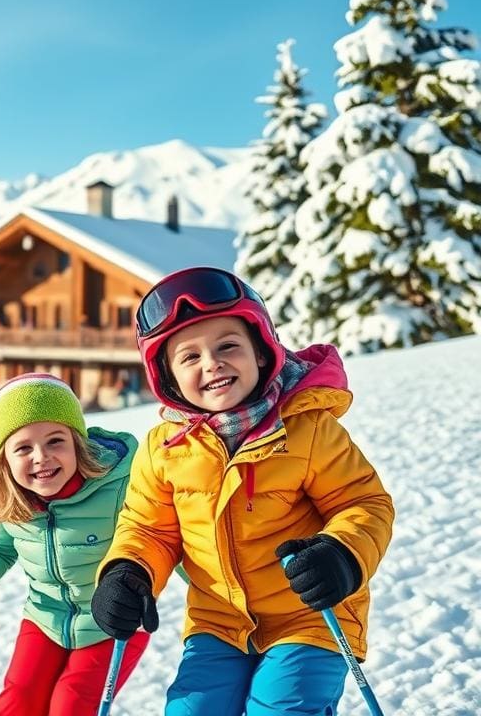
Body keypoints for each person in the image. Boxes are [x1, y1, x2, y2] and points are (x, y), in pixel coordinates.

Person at [90, 267, 395, 715]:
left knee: (282, 708)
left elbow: (364, 502)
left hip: (310, 616)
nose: (211, 363)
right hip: (218, 621)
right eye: (189, 357)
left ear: (261, 352)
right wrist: (126, 572)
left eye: (227, 346)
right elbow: (148, 529)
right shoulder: (164, 449)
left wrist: (341, 554)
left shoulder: (307, 430)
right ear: (169, 378)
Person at [0, 373, 149, 716]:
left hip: (113, 620)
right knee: (18, 703)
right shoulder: (14, 501)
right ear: (5, 460)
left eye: (55, 441)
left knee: (70, 705)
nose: (41, 457)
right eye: (23, 448)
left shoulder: (120, 485)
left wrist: (210, 587)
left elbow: (160, 535)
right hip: (44, 619)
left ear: (78, 443)